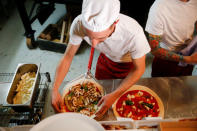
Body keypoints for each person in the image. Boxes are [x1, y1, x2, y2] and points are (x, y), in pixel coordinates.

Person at [52, 0, 150, 119]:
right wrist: (55, 89)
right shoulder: (79, 23)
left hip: (127, 65)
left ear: (115, 23)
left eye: (100, 38)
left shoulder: (134, 34)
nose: (93, 45)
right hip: (105, 57)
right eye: (89, 36)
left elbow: (139, 69)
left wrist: (114, 95)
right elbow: (67, 57)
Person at [145, 0, 197, 77]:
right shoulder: (160, 6)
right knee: (161, 88)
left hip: (189, 56)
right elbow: (155, 49)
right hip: (166, 61)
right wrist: (188, 59)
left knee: (183, 87)